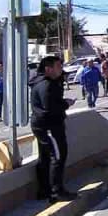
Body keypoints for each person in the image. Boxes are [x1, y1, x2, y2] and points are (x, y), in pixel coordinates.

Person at [29, 56, 77, 203]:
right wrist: (66, 103)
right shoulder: (46, 85)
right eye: (57, 66)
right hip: (49, 125)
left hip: (43, 124)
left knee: (45, 157)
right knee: (58, 156)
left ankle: (44, 190)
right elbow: (50, 107)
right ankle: (57, 191)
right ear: (48, 69)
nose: (60, 69)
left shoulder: (45, 82)